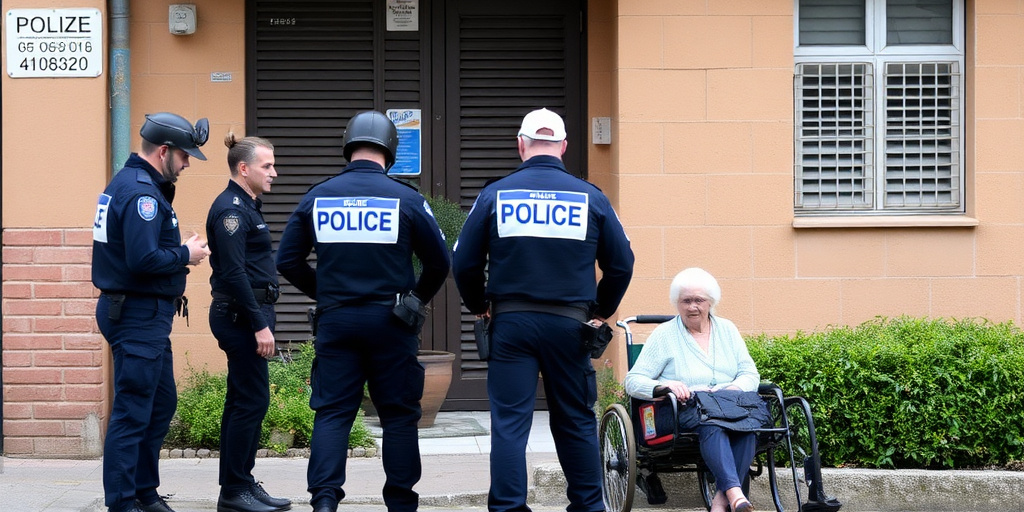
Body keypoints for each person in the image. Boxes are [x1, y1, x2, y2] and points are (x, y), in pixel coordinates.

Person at [452, 108, 635, 512]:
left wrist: (479, 304)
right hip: (570, 326)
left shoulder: (495, 194)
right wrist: (601, 311)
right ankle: (588, 506)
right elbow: (622, 263)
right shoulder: (592, 197)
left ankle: (508, 508)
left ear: (521, 145)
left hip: (511, 324)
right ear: (564, 147)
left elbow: (463, 261)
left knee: (510, 425)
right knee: (575, 420)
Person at [275, 110, 451, 512]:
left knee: (334, 413)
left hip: (336, 322)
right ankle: (401, 504)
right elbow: (440, 263)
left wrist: (328, 294)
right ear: (390, 149)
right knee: (399, 415)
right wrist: (415, 300)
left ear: (348, 147)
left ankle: (323, 502)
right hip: (392, 323)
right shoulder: (407, 199)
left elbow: (286, 260)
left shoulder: (317, 196)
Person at [92, 112, 212, 512]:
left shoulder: (134, 184)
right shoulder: (142, 193)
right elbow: (143, 259)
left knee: (160, 404)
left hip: (145, 315)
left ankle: (144, 491)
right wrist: (186, 254)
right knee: (132, 410)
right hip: (137, 315)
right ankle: (123, 503)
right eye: (184, 155)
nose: (188, 163)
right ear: (164, 151)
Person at [623, 267, 763, 512]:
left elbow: (749, 372)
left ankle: (722, 500)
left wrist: (735, 387)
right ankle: (732, 496)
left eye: (699, 300)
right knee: (712, 423)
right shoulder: (664, 335)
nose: (692, 307)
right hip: (683, 409)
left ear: (711, 302)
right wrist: (663, 386)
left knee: (746, 429)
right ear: (677, 303)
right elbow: (633, 380)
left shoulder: (727, 330)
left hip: (728, 404)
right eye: (685, 301)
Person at [205, 133, 291, 512]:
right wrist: (260, 325)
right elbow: (235, 273)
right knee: (252, 401)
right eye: (267, 166)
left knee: (242, 400)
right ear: (244, 168)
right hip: (241, 318)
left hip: (247, 315)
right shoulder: (231, 211)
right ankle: (234, 492)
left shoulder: (248, 204)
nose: (274, 172)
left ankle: (238, 483)